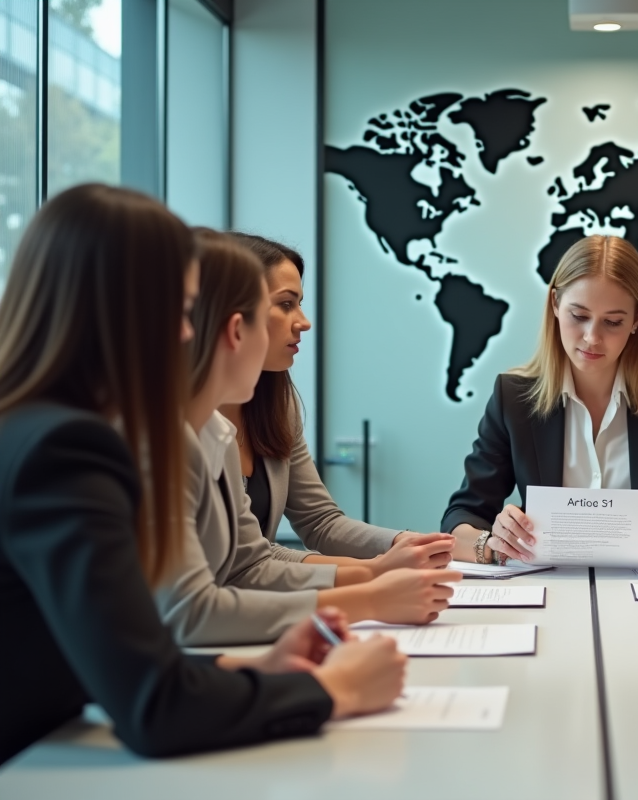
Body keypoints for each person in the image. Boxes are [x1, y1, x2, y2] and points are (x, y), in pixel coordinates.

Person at [0, 184, 406, 765]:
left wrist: (249, 667)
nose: (192, 333)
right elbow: (155, 707)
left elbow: (113, 657)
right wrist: (334, 690)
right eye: (182, 310)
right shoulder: (69, 450)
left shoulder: (38, 428)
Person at [156, 229, 458, 646]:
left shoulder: (225, 429)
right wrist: (370, 591)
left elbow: (255, 559)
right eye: (284, 304)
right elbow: (191, 610)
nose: (304, 322)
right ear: (231, 325)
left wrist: (386, 562)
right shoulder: (166, 440)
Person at [442, 235, 638, 567]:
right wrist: (492, 542)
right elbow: (462, 517)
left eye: (613, 322)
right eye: (579, 315)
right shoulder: (513, 396)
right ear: (555, 305)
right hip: (547, 586)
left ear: (637, 320)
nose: (592, 337)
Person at [220, 233, 454, 573]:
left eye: (299, 303)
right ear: (235, 313)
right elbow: (251, 559)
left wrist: (404, 543)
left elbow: (319, 521)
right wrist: (375, 571)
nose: (304, 321)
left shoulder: (276, 404)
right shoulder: (191, 424)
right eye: (286, 304)